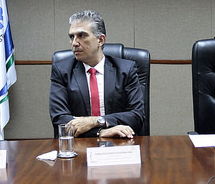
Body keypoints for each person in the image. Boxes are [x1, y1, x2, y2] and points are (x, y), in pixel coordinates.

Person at [49, 10, 145, 138]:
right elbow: (59, 119)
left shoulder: (125, 70)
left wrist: (96, 121)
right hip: (79, 146)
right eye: (72, 37)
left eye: (82, 35)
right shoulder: (62, 71)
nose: (74, 43)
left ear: (100, 40)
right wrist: (100, 132)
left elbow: (137, 116)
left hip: (120, 144)